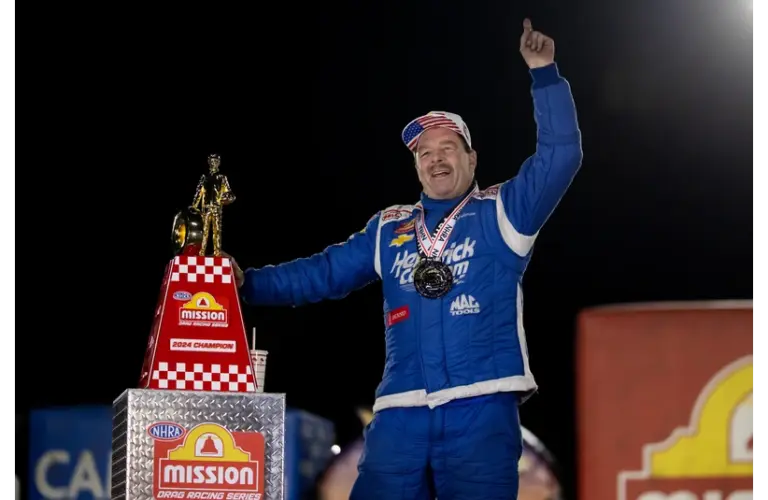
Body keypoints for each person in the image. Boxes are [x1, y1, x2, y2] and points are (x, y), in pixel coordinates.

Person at [227, 18, 582, 500]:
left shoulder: (503, 212)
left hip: (481, 406)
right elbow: (324, 272)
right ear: (415, 166)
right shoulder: (389, 227)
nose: (436, 159)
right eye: (424, 153)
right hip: (400, 410)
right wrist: (244, 285)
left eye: (448, 149)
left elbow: (560, 156)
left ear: (472, 159)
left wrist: (544, 74)